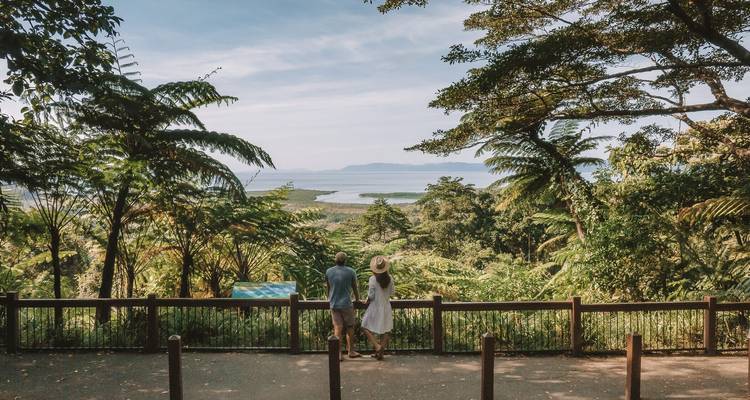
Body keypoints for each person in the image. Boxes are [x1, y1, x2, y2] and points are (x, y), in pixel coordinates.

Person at [326, 251, 361, 360]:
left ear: (335, 260)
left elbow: (328, 287)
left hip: (334, 304)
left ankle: (338, 354)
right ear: (345, 261)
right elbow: (355, 287)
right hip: (346, 304)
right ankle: (351, 351)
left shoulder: (329, 271)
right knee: (350, 327)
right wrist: (357, 299)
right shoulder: (351, 271)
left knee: (338, 328)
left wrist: (329, 298)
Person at [361, 255, 394, 360]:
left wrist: (366, 301)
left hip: (375, 306)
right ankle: (380, 354)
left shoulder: (372, 279)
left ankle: (377, 346)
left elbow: (371, 295)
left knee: (364, 326)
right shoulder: (390, 279)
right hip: (386, 306)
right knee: (386, 329)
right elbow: (392, 293)